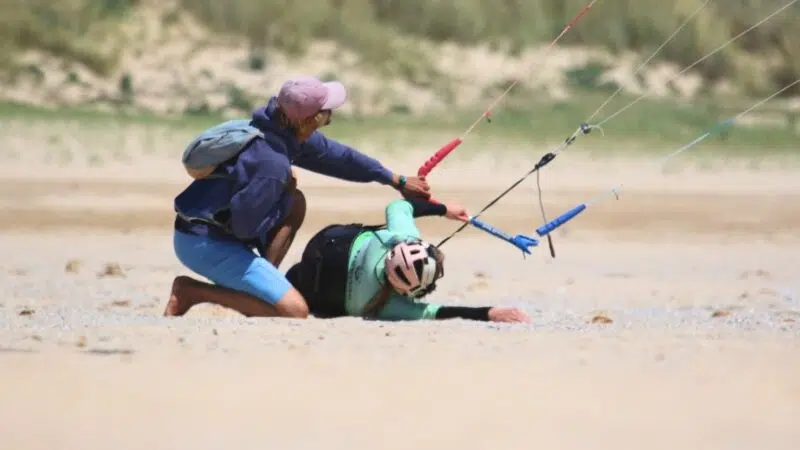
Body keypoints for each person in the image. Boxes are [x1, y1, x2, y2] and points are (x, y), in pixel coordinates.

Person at [164, 75, 431, 319]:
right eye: (324, 116)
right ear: (305, 121)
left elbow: (341, 158)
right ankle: (191, 292)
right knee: (295, 311)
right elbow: (244, 228)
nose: (328, 121)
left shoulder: (279, 131)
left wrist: (395, 179)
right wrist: (286, 192)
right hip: (203, 243)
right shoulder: (272, 163)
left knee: (295, 203)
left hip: (208, 230)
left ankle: (258, 290)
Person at [284, 196, 533, 323]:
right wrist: (489, 313)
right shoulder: (390, 307)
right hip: (314, 291)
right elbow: (438, 312)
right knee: (305, 283)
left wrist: (443, 209)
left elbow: (399, 205)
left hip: (322, 244)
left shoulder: (401, 237)